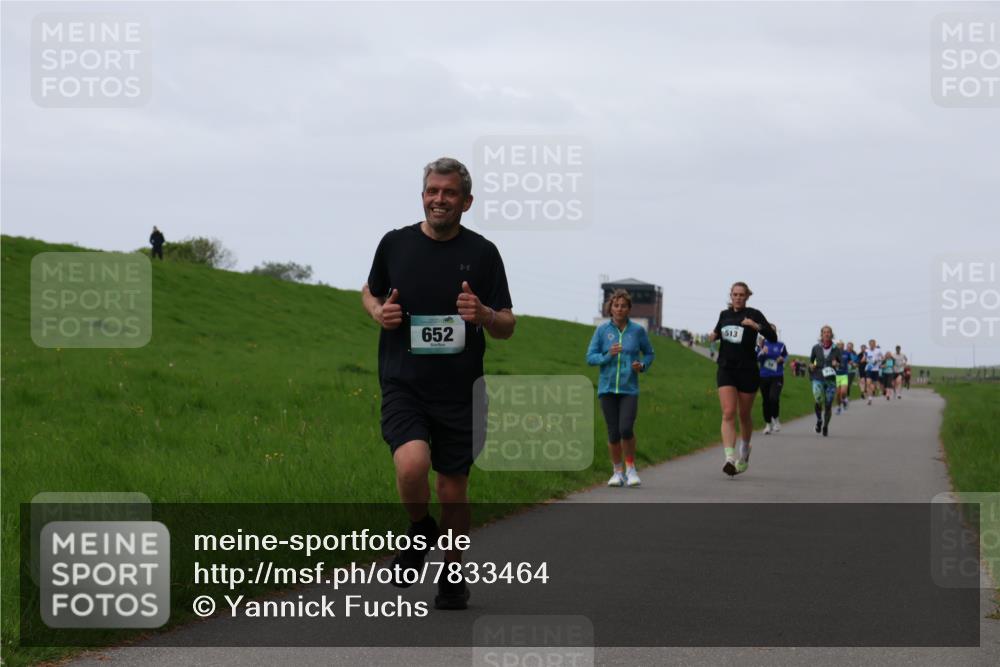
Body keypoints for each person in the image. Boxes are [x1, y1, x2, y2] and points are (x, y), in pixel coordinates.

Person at [361, 157, 515, 610]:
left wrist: (485, 315)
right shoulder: (395, 244)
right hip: (403, 381)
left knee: (452, 489)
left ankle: (453, 573)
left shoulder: (484, 254)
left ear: (466, 201)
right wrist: (377, 313)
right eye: (432, 191)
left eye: (449, 193)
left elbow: (507, 323)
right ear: (423, 195)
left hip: (460, 390)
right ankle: (421, 528)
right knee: (410, 465)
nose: (439, 199)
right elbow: (369, 290)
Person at [707, 282, 777, 476]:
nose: (737, 298)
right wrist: (713, 336)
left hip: (747, 370)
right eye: (734, 294)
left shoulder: (754, 313)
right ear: (731, 295)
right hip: (726, 368)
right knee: (728, 412)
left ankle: (744, 450)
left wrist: (756, 326)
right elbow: (718, 332)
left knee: (744, 415)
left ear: (747, 297)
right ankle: (729, 457)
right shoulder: (724, 315)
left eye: (741, 295)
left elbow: (772, 337)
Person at [587, 289, 655, 488]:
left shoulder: (637, 331)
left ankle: (631, 468)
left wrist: (642, 366)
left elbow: (649, 354)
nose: (619, 309)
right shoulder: (602, 331)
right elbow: (590, 357)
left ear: (629, 309)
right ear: (611, 308)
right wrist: (607, 355)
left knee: (626, 429)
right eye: (616, 305)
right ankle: (617, 472)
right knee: (613, 433)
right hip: (607, 389)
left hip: (629, 389)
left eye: (623, 306)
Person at [809, 326, 841, 437]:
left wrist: (837, 364)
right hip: (817, 377)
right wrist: (811, 366)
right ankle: (819, 420)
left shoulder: (836, 349)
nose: (826, 334)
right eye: (824, 332)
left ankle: (825, 425)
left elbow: (841, 363)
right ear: (821, 334)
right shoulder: (816, 348)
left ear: (831, 334)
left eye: (828, 332)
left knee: (828, 404)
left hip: (831, 379)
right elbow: (811, 361)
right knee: (818, 399)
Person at [756, 324, 787, 434]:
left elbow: (785, 356)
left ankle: (776, 420)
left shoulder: (781, 345)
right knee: (766, 401)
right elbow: (757, 358)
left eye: (773, 331)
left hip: (777, 376)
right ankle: (768, 424)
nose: (771, 333)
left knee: (773, 398)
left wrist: (782, 359)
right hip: (764, 376)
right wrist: (762, 352)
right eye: (769, 331)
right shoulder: (761, 344)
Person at [834, 340, 856, 414]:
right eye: (839, 345)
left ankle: (844, 400)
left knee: (843, 392)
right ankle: (839, 407)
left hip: (844, 375)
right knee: (837, 394)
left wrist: (853, 364)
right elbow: (831, 362)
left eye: (842, 345)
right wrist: (834, 363)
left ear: (843, 346)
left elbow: (850, 361)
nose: (841, 346)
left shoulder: (847, 353)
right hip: (836, 375)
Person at [864, 339, 883, 405]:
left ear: (875, 344)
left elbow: (882, 358)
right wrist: (867, 361)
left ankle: (872, 392)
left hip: (875, 370)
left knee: (873, 385)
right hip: (868, 369)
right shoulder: (866, 350)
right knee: (868, 383)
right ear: (869, 344)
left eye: (873, 344)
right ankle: (870, 399)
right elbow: (865, 358)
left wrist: (878, 361)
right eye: (870, 344)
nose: (872, 345)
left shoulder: (878, 351)